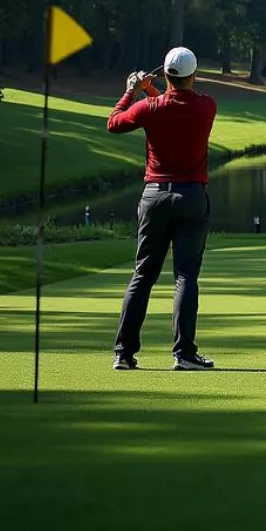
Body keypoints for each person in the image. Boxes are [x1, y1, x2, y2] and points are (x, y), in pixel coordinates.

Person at [106, 46, 218, 371]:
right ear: (193, 75)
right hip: (191, 198)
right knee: (185, 276)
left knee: (143, 275)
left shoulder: (149, 108)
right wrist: (149, 91)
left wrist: (131, 91)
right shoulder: (206, 106)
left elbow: (114, 122)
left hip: (154, 197)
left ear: (167, 75)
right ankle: (183, 354)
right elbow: (175, 103)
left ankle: (123, 354)